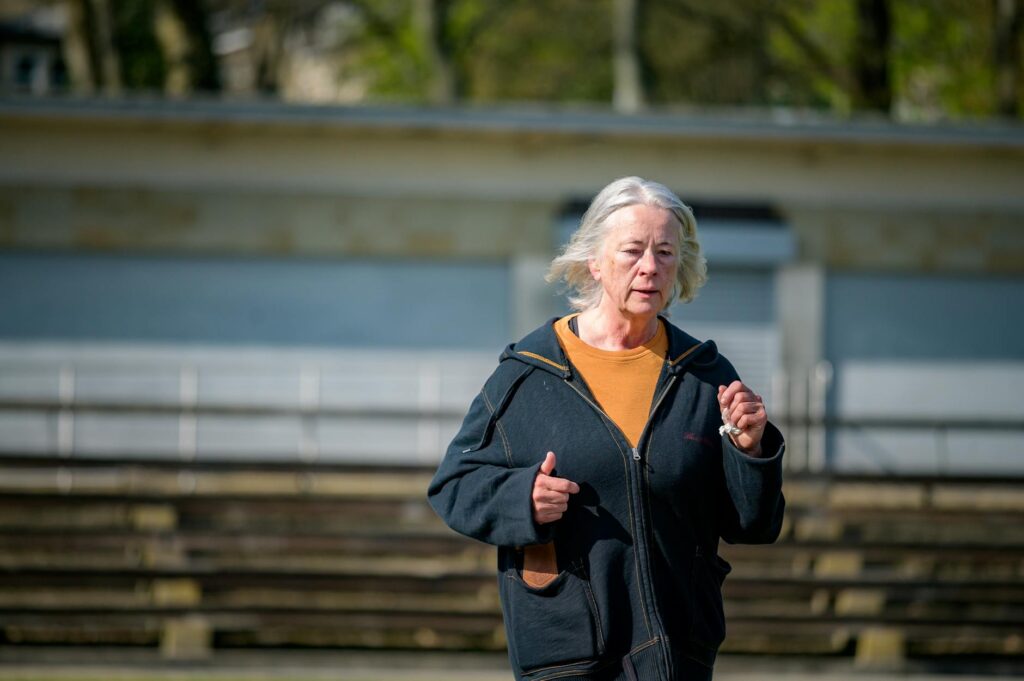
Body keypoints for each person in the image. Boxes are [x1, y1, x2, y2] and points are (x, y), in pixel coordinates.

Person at [428, 176, 785, 681]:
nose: (650, 267)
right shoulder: (527, 373)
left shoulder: (706, 374)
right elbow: (453, 485)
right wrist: (520, 498)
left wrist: (751, 451)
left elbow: (753, 524)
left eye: (665, 252)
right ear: (594, 261)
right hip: (566, 655)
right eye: (633, 250)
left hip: (677, 655)